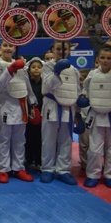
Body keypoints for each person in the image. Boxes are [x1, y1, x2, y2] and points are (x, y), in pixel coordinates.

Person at [0, 41, 37, 183]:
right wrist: (11, 69)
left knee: (19, 139)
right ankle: (2, 169)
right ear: (0, 48)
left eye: (11, 46)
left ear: (15, 48)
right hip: (5, 105)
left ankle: (18, 168)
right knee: (3, 139)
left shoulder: (22, 66)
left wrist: (33, 104)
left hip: (21, 106)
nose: (8, 48)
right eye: (5, 45)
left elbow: (27, 86)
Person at [39, 41, 79, 185]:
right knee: (48, 139)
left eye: (65, 49)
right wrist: (56, 72)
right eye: (58, 48)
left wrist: (78, 113)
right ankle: (47, 168)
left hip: (69, 107)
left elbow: (76, 91)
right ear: (53, 50)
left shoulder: (74, 70)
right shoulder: (47, 66)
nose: (61, 51)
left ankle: (63, 170)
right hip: (52, 105)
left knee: (66, 140)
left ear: (69, 51)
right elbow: (47, 86)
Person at [82, 47, 111, 188]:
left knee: (110, 148)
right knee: (94, 149)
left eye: (109, 58)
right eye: (103, 58)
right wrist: (83, 97)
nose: (105, 61)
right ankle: (93, 174)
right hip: (96, 115)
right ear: (98, 59)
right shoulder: (92, 74)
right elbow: (85, 90)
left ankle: (109, 175)